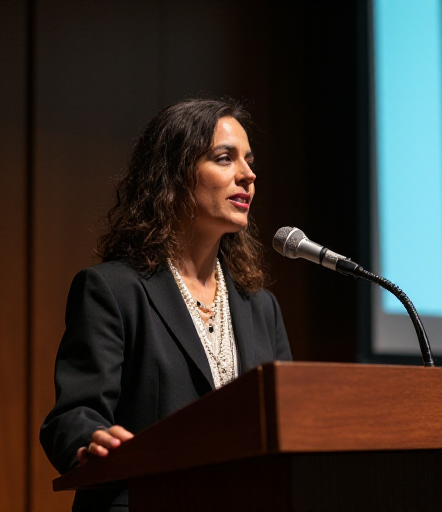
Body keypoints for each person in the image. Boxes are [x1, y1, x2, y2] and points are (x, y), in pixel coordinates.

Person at [40, 99, 292, 511]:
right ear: (173, 176)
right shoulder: (113, 291)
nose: (248, 175)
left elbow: (289, 427)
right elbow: (73, 416)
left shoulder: (261, 309)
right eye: (225, 159)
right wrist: (90, 442)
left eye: (248, 161)